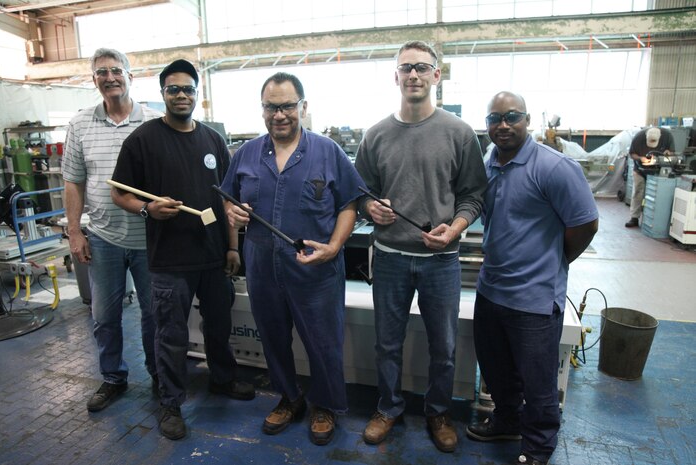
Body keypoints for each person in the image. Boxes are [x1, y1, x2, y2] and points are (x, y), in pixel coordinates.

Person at [110, 59, 255, 440]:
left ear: (197, 94)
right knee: (170, 335)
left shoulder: (212, 140)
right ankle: (170, 402)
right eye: (173, 89)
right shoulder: (142, 140)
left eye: (188, 89)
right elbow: (119, 192)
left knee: (219, 327)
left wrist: (232, 247)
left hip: (212, 257)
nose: (181, 95)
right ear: (162, 94)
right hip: (169, 261)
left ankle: (223, 380)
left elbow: (227, 201)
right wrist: (148, 209)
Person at [354, 40, 487, 453]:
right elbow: (360, 194)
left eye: (422, 67)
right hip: (391, 259)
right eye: (406, 68)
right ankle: (388, 408)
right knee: (387, 343)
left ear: (436, 75)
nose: (414, 74)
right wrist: (370, 208)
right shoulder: (374, 135)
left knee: (443, 347)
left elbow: (474, 195)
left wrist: (457, 227)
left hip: (441, 261)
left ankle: (438, 411)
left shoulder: (459, 134)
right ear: (395, 77)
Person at [220, 72, 364, 446]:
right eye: (271, 107)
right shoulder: (247, 153)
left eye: (287, 106)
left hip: (316, 269)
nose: (279, 114)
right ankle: (289, 398)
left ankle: (326, 405)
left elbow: (350, 203)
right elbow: (229, 199)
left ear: (303, 106)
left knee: (322, 341)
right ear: (262, 109)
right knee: (272, 337)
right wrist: (232, 215)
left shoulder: (327, 151)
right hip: (262, 266)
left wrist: (334, 246)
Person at [466, 91, 598, 465]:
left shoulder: (555, 167)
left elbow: (585, 224)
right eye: (494, 119)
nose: (503, 125)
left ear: (528, 121)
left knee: (538, 382)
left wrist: (557, 260)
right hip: (491, 290)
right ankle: (507, 421)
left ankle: (538, 446)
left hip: (535, 298)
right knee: (496, 371)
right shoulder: (487, 165)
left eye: (512, 116)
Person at [62, 48, 161, 413]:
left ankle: (158, 376)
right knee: (104, 316)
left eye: (116, 70)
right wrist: (75, 230)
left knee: (154, 315)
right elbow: (73, 181)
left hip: (149, 239)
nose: (109, 77)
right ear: (94, 80)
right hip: (103, 239)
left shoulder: (153, 122)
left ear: (130, 76)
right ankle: (113, 378)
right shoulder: (80, 124)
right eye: (101, 72)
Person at [625, 126, 675, 227]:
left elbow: (672, 152)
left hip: (658, 171)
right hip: (640, 169)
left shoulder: (668, 136)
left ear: (660, 137)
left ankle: (655, 219)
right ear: (646, 136)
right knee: (638, 192)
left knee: (657, 195)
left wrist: (668, 153)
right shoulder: (638, 137)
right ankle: (634, 218)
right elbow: (632, 154)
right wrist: (640, 158)